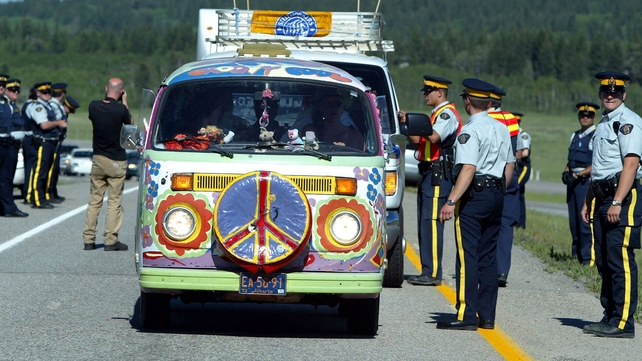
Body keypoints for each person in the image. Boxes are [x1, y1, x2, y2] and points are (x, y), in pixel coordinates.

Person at [436, 78, 514, 331]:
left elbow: (468, 168)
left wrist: (451, 201)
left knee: (467, 256)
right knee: (488, 257)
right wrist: (499, 189)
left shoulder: (469, 131)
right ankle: (487, 315)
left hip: (475, 196)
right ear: (489, 103)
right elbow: (509, 165)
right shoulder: (501, 128)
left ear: (467, 101)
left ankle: (466, 314)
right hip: (496, 194)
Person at [581, 72, 641, 339]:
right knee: (604, 260)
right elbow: (601, 169)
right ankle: (610, 315)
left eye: (615, 93)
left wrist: (617, 200)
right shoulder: (604, 124)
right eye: (606, 92)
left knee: (620, 261)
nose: (610, 95)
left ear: (623, 95)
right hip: (602, 196)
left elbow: (631, 164)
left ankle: (623, 322)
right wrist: (588, 201)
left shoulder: (628, 122)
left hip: (623, 197)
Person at [398, 75, 463, 286]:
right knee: (424, 222)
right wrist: (408, 124)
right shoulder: (435, 115)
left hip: (438, 174)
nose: (425, 94)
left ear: (440, 93)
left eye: (428, 91)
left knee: (432, 223)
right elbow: (419, 140)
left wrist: (416, 121)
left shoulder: (446, 115)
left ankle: (432, 272)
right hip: (428, 173)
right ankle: (428, 269)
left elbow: (434, 137)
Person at [82, 78, 132, 251]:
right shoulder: (120, 110)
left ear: (106, 88)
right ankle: (111, 240)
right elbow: (130, 124)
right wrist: (124, 101)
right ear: (121, 91)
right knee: (114, 201)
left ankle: (88, 239)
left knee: (95, 200)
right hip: (116, 160)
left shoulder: (93, 106)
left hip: (98, 158)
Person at [487, 87, 519, 287]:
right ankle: (501, 271)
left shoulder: (482, 120)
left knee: (487, 223)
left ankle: (487, 267)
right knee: (506, 225)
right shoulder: (511, 120)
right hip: (510, 175)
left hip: (490, 176)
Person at [563, 102, 598, 265]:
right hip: (573, 183)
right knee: (573, 221)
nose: (585, 118)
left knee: (585, 220)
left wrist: (578, 174)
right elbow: (571, 160)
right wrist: (566, 172)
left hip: (585, 183)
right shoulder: (575, 135)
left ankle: (587, 258)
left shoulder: (595, 135)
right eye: (582, 115)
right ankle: (575, 254)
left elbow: (597, 164)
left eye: (588, 115)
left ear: (594, 117)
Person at [23, 82, 67, 209]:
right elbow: (44, 125)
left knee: (46, 171)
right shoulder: (39, 107)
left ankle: (42, 198)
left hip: (51, 142)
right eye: (44, 93)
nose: (48, 95)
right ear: (38, 94)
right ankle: (37, 199)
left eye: (49, 92)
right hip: (43, 142)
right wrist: (58, 123)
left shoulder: (48, 106)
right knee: (40, 172)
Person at [1, 78, 28, 217]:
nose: (16, 92)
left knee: (6, 178)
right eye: (13, 90)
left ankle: (6, 207)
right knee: (5, 177)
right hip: (4, 144)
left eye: (18, 90)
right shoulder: (5, 105)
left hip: (11, 145)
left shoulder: (10, 105)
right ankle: (8, 207)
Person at [47, 82, 68, 203]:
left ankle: (52, 192)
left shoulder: (56, 105)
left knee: (55, 168)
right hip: (53, 139)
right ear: (62, 94)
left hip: (57, 140)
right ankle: (48, 192)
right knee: (51, 168)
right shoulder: (53, 105)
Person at [513, 112, 531, 228]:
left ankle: (519, 223)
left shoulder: (523, 135)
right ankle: (519, 223)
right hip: (515, 166)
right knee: (519, 194)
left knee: (515, 190)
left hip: (522, 167)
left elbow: (525, 152)